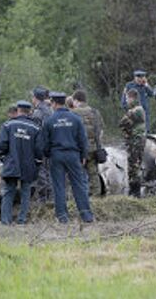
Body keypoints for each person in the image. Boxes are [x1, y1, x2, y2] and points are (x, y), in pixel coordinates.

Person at [41, 92, 94, 223]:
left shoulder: (49, 121)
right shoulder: (75, 119)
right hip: (73, 155)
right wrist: (83, 155)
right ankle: (86, 215)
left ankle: (62, 217)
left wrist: (48, 155)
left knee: (59, 186)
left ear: (53, 103)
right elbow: (83, 139)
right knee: (79, 185)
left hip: (56, 155)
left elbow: (44, 143)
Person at [0, 100, 43, 224]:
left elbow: (2, 145)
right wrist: (37, 163)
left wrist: (3, 159)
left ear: (18, 110)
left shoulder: (8, 125)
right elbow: (39, 149)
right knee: (26, 193)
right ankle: (22, 220)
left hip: (11, 164)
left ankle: (5, 221)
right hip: (28, 165)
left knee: (8, 192)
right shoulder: (35, 128)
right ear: (29, 112)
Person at [70, 90, 105, 197]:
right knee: (93, 174)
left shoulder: (72, 113)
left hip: (78, 150)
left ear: (76, 100)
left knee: (78, 175)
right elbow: (101, 129)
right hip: (93, 149)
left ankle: (80, 197)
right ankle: (96, 197)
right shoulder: (95, 112)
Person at [119, 88, 147, 198]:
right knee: (134, 165)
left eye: (127, 98)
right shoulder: (136, 109)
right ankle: (134, 190)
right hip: (135, 140)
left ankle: (135, 191)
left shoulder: (137, 110)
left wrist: (126, 123)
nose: (126, 100)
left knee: (134, 166)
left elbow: (122, 123)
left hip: (136, 141)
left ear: (132, 98)